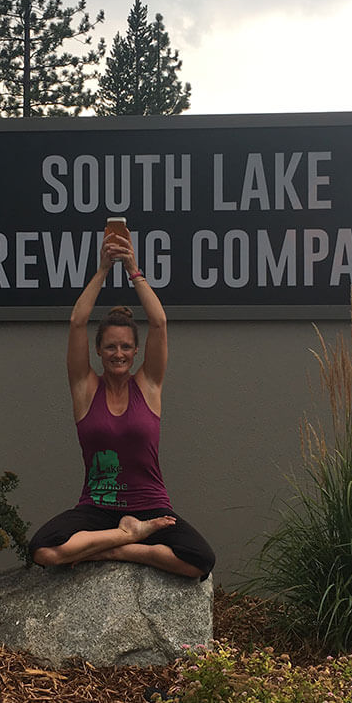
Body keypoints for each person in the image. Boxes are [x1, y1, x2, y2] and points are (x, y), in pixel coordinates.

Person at [28, 230, 215, 580]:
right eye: (111, 347)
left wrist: (132, 268)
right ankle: (128, 537)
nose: (118, 354)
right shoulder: (85, 388)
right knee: (43, 550)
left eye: (126, 347)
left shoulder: (149, 385)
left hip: (151, 506)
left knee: (199, 560)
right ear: (98, 350)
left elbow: (159, 322)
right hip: (97, 508)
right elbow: (76, 322)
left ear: (135, 351)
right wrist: (102, 270)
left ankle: (117, 549)